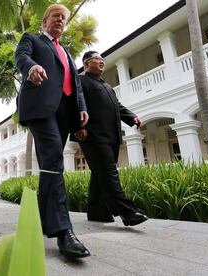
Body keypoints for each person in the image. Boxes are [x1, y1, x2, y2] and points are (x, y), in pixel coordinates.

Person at [15, 4, 90, 259]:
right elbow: (21, 56)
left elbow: (76, 84)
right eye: (56, 16)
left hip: (64, 114)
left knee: (51, 165)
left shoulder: (67, 53)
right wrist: (31, 68)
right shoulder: (33, 39)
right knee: (54, 159)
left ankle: (37, 221)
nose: (60, 20)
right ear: (45, 21)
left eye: (64, 19)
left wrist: (80, 113)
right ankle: (63, 232)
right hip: (40, 107)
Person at [74, 50, 148, 226]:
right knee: (108, 172)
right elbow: (74, 103)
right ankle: (127, 212)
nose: (101, 61)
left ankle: (97, 212)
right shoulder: (81, 81)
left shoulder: (107, 86)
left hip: (112, 135)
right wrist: (78, 126)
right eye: (96, 59)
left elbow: (118, 107)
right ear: (86, 64)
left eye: (102, 59)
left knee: (101, 173)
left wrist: (131, 117)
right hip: (92, 135)